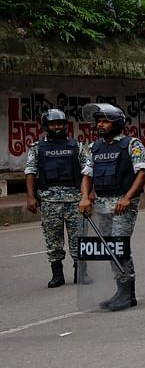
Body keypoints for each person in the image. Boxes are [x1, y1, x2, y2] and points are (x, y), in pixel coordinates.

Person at [79, 103, 145, 311]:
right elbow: (87, 175)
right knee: (110, 247)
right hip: (103, 202)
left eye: (105, 121)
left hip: (123, 203)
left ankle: (128, 292)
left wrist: (128, 198)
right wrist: (85, 197)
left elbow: (142, 172)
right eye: (98, 121)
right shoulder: (94, 147)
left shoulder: (131, 144)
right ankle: (122, 291)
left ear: (117, 123)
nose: (100, 125)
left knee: (119, 245)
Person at [24, 109, 88, 289]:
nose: (57, 127)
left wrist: (87, 196)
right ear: (46, 126)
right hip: (49, 201)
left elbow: (87, 171)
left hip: (75, 200)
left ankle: (80, 271)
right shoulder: (37, 148)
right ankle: (57, 273)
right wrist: (30, 197)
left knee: (79, 237)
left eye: (60, 123)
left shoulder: (76, 146)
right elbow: (30, 172)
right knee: (53, 239)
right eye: (53, 124)